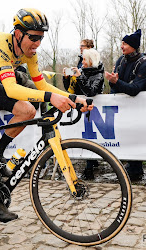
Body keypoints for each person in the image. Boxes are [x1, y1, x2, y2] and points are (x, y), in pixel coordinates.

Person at [0, 8, 92, 223]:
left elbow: (41, 84)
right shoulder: (1, 43)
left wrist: (72, 98)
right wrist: (49, 97)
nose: (37, 43)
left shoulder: (30, 54)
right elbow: (11, 89)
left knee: (27, 110)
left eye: (41, 38)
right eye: (33, 38)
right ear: (18, 33)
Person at [105, 29, 146, 180]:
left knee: (135, 136)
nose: (121, 46)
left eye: (124, 43)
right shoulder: (121, 60)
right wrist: (114, 82)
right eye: (122, 43)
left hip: (140, 107)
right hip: (123, 107)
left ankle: (136, 169)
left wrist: (116, 82)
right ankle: (130, 164)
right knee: (124, 135)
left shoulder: (145, 63)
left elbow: (135, 89)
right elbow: (115, 88)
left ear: (133, 45)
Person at [63, 48, 104, 179]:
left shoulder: (98, 74)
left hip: (93, 111)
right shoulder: (82, 72)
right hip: (81, 108)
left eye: (85, 60)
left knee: (91, 138)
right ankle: (90, 164)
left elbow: (91, 92)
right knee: (84, 137)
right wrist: (67, 78)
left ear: (91, 61)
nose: (83, 62)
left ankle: (90, 167)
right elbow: (71, 90)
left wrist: (79, 77)